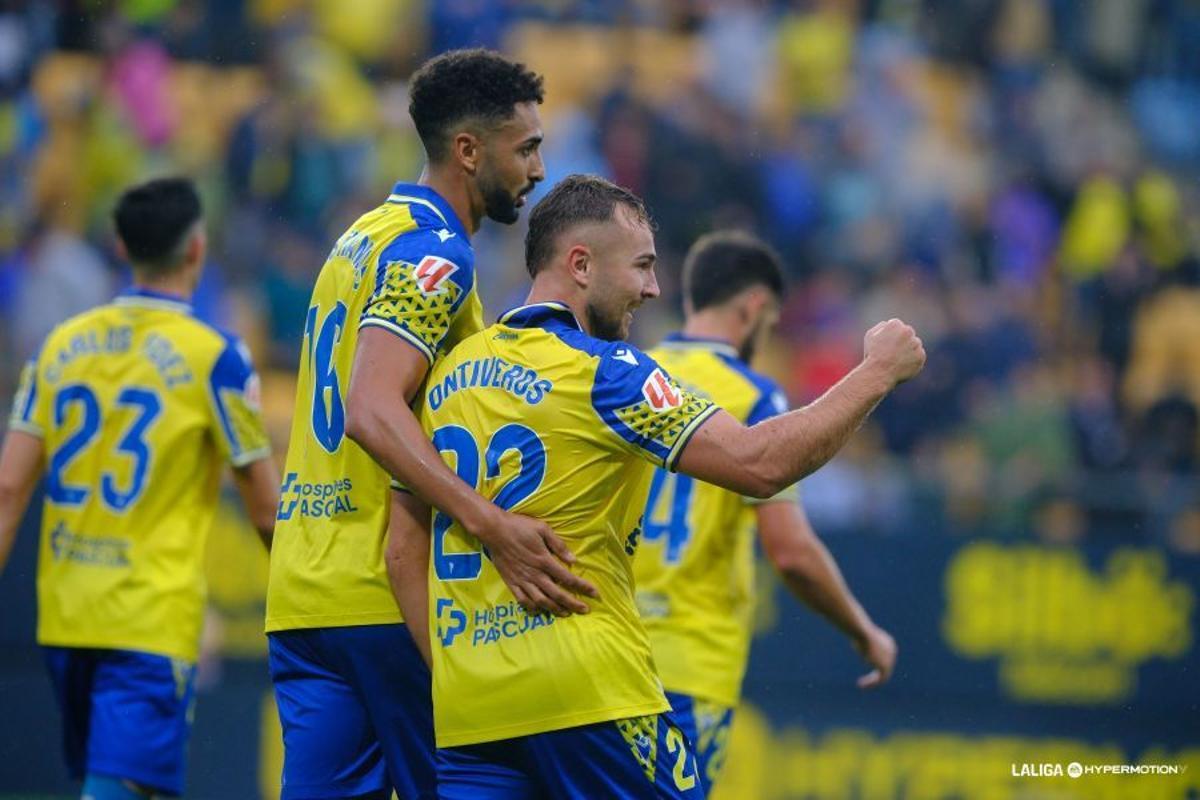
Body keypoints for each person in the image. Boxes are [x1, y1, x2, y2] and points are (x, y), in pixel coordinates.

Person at [388, 174, 924, 798]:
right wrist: (877, 372)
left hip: (470, 708)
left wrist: (457, 679)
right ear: (581, 265)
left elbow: (402, 551)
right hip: (591, 690)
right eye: (642, 266)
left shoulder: (447, 374)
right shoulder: (603, 372)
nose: (654, 287)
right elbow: (758, 464)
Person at [264, 49, 595, 800]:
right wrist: (491, 525)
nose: (538, 170)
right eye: (527, 148)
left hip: (304, 594)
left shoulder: (362, 236)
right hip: (380, 594)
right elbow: (372, 410)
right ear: (468, 150)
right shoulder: (434, 253)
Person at [0, 176, 278, 800]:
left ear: (120, 246)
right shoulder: (215, 358)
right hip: (148, 619)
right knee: (122, 788)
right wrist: (300, 616)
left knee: (129, 785)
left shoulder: (59, 346)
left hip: (65, 616)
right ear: (196, 250)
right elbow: (264, 508)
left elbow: (7, 490)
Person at [633, 231, 898, 789]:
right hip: (687, 665)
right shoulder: (753, 396)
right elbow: (791, 551)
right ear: (754, 308)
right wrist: (863, 630)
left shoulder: (630, 374)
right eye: (771, 323)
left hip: (606, 652)